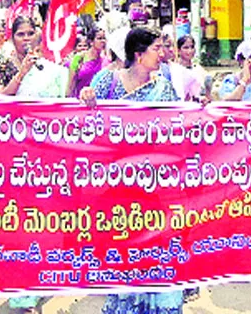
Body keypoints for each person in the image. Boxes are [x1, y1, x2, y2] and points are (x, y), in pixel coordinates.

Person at [80, 27, 182, 314]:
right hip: (115, 190)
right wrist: (85, 97)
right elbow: (83, 121)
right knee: (123, 255)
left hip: (153, 189)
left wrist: (201, 107)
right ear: (138, 54)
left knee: (154, 252)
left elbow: (182, 123)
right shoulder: (106, 82)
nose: (163, 54)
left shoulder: (164, 87)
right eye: (156, 48)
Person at [0, 16, 46, 95]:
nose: (26, 38)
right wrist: (21, 74)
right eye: (20, 34)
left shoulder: (44, 66)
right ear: (13, 39)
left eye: (31, 34)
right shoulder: (2, 68)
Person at [66, 27, 106, 98]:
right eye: (99, 38)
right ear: (91, 42)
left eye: (104, 38)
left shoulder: (105, 60)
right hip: (80, 100)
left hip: (97, 100)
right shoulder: (79, 58)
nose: (103, 41)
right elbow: (70, 85)